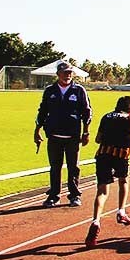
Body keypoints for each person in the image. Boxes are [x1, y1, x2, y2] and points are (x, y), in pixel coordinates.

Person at [84, 96, 130, 248]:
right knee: (123, 180)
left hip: (103, 153)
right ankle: (121, 211)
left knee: (102, 191)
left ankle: (96, 220)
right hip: (120, 154)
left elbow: (98, 139)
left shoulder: (106, 116)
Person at [34, 62, 92, 207]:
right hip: (54, 135)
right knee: (55, 167)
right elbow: (42, 111)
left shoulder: (79, 90)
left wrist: (86, 131)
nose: (68, 75)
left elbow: (87, 112)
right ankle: (54, 195)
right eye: (65, 73)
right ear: (58, 74)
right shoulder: (50, 90)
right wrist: (37, 130)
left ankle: (74, 195)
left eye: (70, 73)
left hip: (72, 135)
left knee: (74, 167)